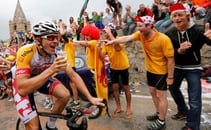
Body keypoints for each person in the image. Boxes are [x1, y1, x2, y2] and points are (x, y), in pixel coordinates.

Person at [13, 20, 104, 130]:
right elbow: (22, 89)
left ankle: (50, 125)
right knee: (34, 127)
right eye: (51, 37)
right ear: (38, 40)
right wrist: (51, 70)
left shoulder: (57, 53)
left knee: (64, 95)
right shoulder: (26, 52)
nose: (56, 41)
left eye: (57, 37)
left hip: (41, 77)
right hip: (23, 83)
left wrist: (90, 98)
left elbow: (73, 76)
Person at [105, 16, 175, 130]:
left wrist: (170, 77)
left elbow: (171, 59)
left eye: (140, 26)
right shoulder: (140, 35)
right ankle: (158, 114)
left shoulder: (163, 39)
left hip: (161, 71)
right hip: (150, 70)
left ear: (149, 26)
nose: (138, 28)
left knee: (161, 96)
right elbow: (127, 37)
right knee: (152, 92)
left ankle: (161, 121)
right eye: (137, 25)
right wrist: (113, 41)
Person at [165, 3, 211, 130]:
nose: (177, 18)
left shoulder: (199, 30)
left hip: (193, 68)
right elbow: (168, 51)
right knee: (173, 89)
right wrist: (179, 51)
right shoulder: (170, 32)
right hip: (177, 67)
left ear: (187, 15)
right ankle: (183, 111)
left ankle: (192, 126)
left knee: (194, 99)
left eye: (180, 15)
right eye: (174, 16)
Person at [99, 23, 132, 119]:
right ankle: (118, 107)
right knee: (115, 88)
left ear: (112, 31)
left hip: (123, 67)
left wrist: (110, 35)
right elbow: (102, 58)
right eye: (105, 32)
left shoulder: (119, 38)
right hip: (113, 67)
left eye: (106, 32)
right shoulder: (106, 43)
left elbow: (118, 48)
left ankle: (129, 108)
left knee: (126, 88)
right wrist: (98, 49)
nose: (105, 34)